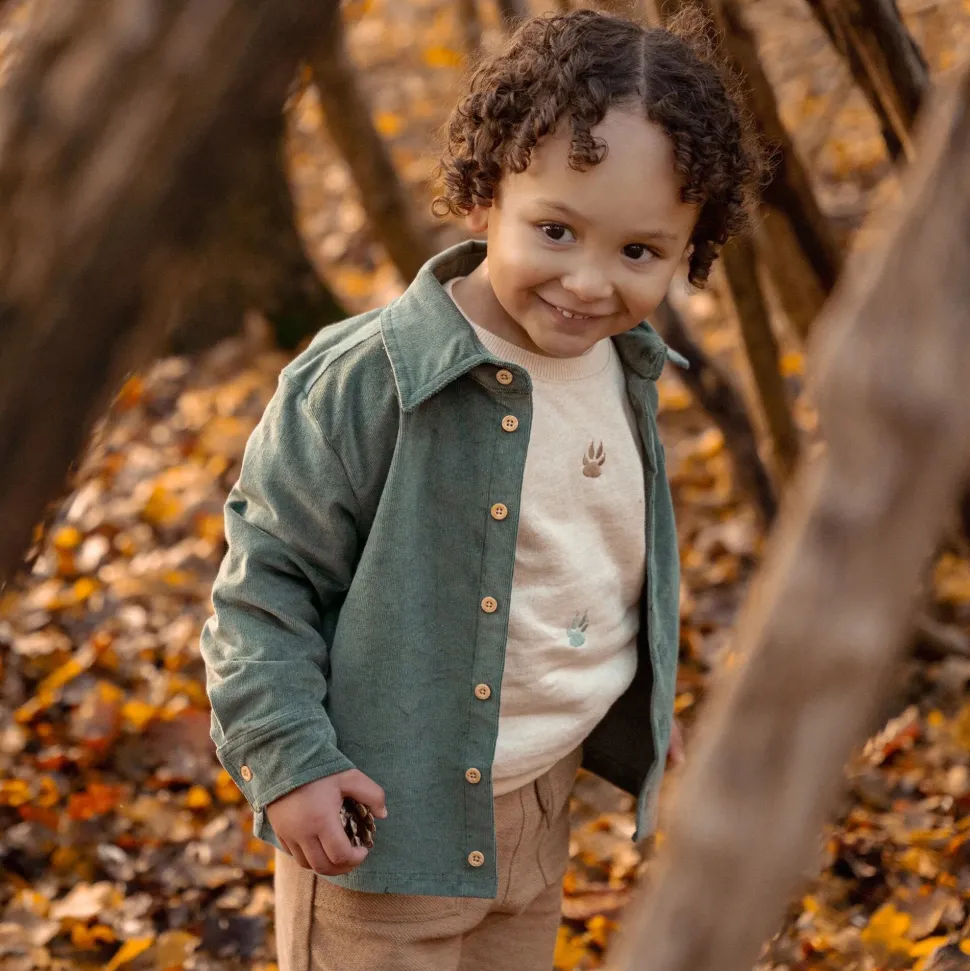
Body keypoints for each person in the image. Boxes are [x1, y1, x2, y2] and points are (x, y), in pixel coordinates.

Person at [199, 7, 763, 970]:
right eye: (555, 229)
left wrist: (640, 699)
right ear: (483, 194)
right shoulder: (364, 380)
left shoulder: (625, 368)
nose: (589, 283)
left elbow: (593, 559)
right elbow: (265, 587)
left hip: (540, 808)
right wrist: (290, 760)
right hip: (380, 824)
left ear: (688, 249)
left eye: (639, 252)